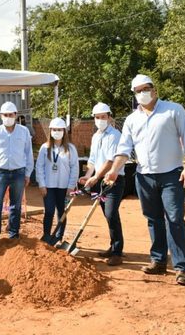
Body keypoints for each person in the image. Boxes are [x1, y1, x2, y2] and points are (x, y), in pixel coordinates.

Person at [105, 74, 185, 286]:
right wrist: (113, 170)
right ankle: (158, 261)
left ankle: (181, 267)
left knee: (174, 219)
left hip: (172, 175)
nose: (142, 93)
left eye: (145, 89)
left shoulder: (174, 110)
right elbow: (123, 150)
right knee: (153, 219)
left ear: (154, 90)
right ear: (134, 94)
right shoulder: (131, 120)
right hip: (144, 176)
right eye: (137, 91)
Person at [79, 103, 125, 266]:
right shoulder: (96, 136)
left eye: (103, 117)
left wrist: (96, 177)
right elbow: (92, 160)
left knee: (112, 214)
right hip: (99, 181)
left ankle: (118, 252)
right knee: (108, 215)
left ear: (109, 117)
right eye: (97, 118)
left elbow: (110, 160)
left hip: (114, 180)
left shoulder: (115, 135)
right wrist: (87, 176)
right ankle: (113, 247)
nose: (100, 120)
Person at [0, 101, 34, 246]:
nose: (8, 117)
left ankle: (13, 234)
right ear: (1, 116)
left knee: (16, 206)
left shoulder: (24, 132)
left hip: (19, 173)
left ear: (15, 115)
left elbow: (28, 153)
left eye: (10, 115)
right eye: (5, 115)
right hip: (0, 173)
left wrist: (28, 174)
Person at [36, 117, 79, 243]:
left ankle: (59, 237)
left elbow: (74, 168)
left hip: (64, 187)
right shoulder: (45, 148)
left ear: (64, 131)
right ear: (50, 131)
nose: (57, 132)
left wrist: (71, 186)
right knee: (49, 211)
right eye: (54, 129)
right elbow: (39, 167)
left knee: (61, 212)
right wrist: (41, 184)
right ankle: (46, 235)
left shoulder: (71, 148)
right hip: (48, 186)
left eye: (59, 129)